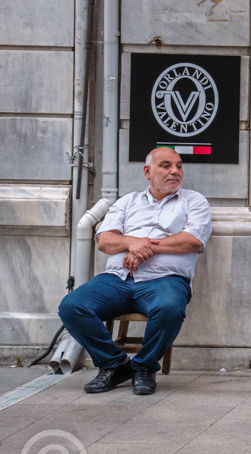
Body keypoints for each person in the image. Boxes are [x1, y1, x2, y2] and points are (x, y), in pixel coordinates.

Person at [58, 146, 211, 396]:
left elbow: (191, 241)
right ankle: (114, 364)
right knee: (72, 306)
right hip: (116, 280)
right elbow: (105, 241)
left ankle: (144, 368)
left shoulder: (193, 201)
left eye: (179, 166)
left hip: (165, 281)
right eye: (166, 166)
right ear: (147, 172)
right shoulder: (127, 202)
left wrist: (145, 246)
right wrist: (132, 243)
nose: (175, 171)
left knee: (170, 308)